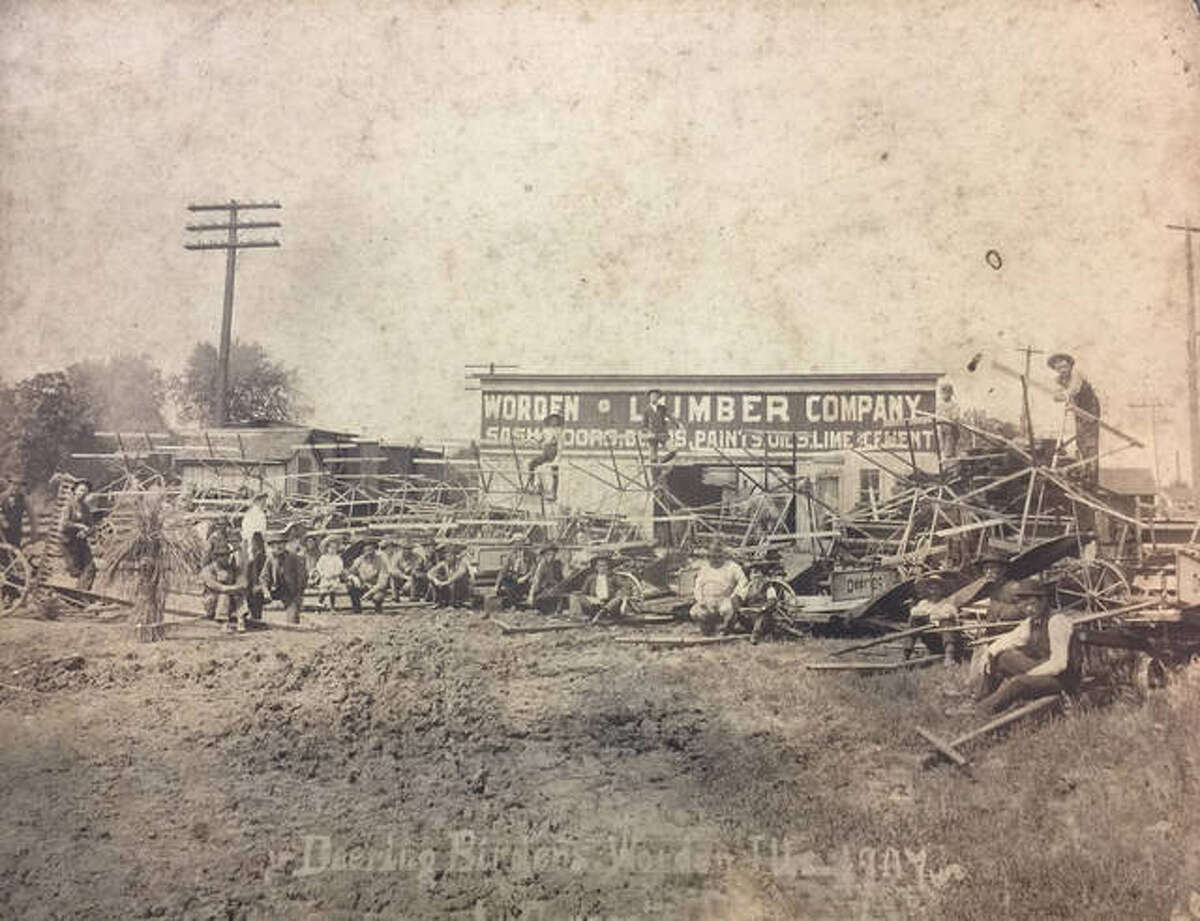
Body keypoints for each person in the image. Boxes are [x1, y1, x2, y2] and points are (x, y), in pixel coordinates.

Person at [973, 579, 1079, 714]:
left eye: (1033, 604)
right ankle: (980, 698)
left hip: (1063, 679)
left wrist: (1029, 676)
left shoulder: (1057, 621)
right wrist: (989, 653)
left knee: (1018, 683)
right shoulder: (1031, 622)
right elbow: (1011, 639)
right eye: (1025, 606)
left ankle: (981, 711)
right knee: (1001, 658)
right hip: (1045, 669)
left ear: (1043, 601)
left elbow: (1059, 664)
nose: (1029, 609)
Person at [1047, 353, 1101, 485]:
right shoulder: (1058, 380)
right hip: (1077, 410)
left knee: (1090, 442)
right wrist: (1063, 396)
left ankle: (1092, 475)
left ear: (1070, 366)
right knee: (1081, 441)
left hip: (1090, 408)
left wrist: (1065, 395)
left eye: (1064, 366)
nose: (1062, 370)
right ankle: (1084, 472)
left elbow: (1074, 390)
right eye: (1058, 368)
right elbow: (1055, 396)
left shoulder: (1077, 374)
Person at [690, 539, 748, 636]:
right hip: (707, 600)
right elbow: (697, 586)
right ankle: (708, 627)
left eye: (718, 556)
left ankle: (726, 628)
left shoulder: (732, 567)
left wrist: (736, 596)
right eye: (712, 557)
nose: (715, 559)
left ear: (724, 555)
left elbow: (743, 582)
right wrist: (700, 600)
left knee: (727, 609)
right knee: (695, 612)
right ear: (708, 557)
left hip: (725, 599)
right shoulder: (704, 568)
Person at [904, 576, 960, 664]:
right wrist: (933, 616)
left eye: (937, 588)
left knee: (946, 622)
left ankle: (949, 657)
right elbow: (914, 613)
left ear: (942, 590)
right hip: (929, 638)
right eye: (931, 588)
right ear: (927, 590)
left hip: (945, 638)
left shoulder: (947, 603)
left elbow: (949, 614)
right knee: (915, 620)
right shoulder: (923, 603)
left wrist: (930, 615)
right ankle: (906, 654)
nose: (934, 591)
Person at [198, 542, 246, 630]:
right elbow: (217, 587)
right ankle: (224, 623)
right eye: (222, 556)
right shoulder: (208, 570)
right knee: (225, 593)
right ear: (216, 557)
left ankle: (241, 619)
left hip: (229, 604)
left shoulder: (232, 568)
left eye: (227, 555)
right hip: (212, 602)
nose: (226, 558)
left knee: (238, 593)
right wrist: (234, 588)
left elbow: (242, 581)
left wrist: (239, 587)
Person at [59, 479, 96, 590]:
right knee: (76, 571)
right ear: (75, 491)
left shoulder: (85, 508)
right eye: (81, 490)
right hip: (67, 542)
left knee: (90, 568)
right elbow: (64, 524)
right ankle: (78, 595)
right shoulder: (68, 505)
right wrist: (79, 526)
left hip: (80, 542)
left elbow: (92, 526)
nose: (83, 493)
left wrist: (86, 532)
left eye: (85, 491)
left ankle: (80, 595)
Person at [567, 555, 628, 623]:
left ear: (608, 567)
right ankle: (592, 613)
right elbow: (584, 591)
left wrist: (619, 593)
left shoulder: (613, 577)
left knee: (618, 598)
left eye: (604, 566)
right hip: (595, 603)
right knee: (577, 597)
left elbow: (624, 586)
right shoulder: (591, 578)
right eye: (600, 566)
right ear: (596, 567)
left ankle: (604, 611)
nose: (602, 568)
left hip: (610, 603)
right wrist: (584, 597)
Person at [265, 531, 308, 624]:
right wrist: (266, 591)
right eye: (275, 545)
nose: (278, 547)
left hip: (291, 592)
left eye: (281, 544)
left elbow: (302, 577)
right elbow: (264, 577)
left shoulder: (294, 558)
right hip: (276, 590)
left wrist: (299, 594)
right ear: (272, 546)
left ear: (285, 545)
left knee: (292, 619)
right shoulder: (270, 559)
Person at [346, 538, 390, 613]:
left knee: (377, 597)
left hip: (376, 587)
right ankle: (357, 609)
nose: (368, 552)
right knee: (350, 585)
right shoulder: (359, 560)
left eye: (371, 549)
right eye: (366, 550)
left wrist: (369, 593)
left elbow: (382, 583)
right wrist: (354, 578)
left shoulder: (381, 561)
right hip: (364, 586)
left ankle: (378, 608)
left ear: (374, 550)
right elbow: (349, 572)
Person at [527, 413, 564, 496]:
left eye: (556, 420)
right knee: (532, 464)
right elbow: (538, 440)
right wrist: (530, 441)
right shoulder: (546, 430)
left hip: (553, 453)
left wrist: (557, 459)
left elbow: (560, 446)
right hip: (546, 452)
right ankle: (532, 486)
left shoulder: (559, 432)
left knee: (554, 473)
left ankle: (554, 493)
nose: (554, 421)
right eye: (552, 419)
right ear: (549, 420)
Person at [496, 535, 537, 609]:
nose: (517, 545)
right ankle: (514, 604)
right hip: (515, 577)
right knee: (506, 581)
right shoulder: (511, 555)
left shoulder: (531, 554)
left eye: (520, 542)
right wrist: (497, 584)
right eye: (516, 543)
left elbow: (534, 568)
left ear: (523, 543)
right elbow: (504, 569)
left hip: (527, 577)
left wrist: (526, 577)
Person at [642, 389, 679, 465]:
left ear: (658, 398)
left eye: (655, 396)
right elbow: (644, 425)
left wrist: (677, 424)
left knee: (673, 450)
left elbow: (670, 416)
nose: (653, 398)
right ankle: (654, 473)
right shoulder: (647, 410)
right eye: (652, 396)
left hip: (663, 434)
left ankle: (661, 462)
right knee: (653, 459)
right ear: (649, 397)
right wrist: (648, 432)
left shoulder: (662, 408)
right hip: (653, 436)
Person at [429, 543, 473, 608]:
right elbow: (430, 572)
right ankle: (438, 602)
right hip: (449, 587)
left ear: (454, 556)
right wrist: (435, 580)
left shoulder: (461, 563)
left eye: (450, 556)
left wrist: (446, 582)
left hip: (462, 588)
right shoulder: (444, 564)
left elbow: (459, 574)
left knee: (454, 582)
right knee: (435, 580)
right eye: (447, 556)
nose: (448, 558)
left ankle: (452, 603)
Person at [241, 531, 270, 625]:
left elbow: (258, 574)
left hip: (258, 586)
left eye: (254, 543)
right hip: (254, 585)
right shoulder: (256, 558)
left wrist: (256, 585)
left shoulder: (259, 558)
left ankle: (254, 617)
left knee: (254, 599)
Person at [527, 544, 565, 614]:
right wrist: (531, 595)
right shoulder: (542, 565)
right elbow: (536, 581)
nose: (551, 557)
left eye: (553, 555)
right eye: (549, 554)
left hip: (555, 588)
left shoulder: (557, 564)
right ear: (545, 555)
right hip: (543, 590)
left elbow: (562, 579)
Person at [0, 475, 36, 549]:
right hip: (2, 532)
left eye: (18, 485)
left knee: (15, 552)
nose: (15, 488)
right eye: (14, 484)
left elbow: (32, 518)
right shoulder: (2, 497)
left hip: (16, 532)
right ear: (9, 484)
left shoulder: (24, 499)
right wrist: (2, 518)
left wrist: (33, 538)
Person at [314, 536, 345, 612]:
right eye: (331, 548)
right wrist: (322, 574)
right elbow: (319, 567)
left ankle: (332, 607)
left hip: (334, 578)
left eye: (334, 548)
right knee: (323, 592)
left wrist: (335, 574)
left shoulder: (337, 558)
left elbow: (340, 568)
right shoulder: (323, 558)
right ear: (327, 548)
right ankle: (319, 607)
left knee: (332, 591)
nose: (332, 550)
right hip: (325, 578)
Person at [936, 382, 962, 460]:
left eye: (946, 392)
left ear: (950, 393)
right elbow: (937, 417)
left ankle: (950, 466)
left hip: (951, 431)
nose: (943, 395)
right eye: (942, 393)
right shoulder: (940, 406)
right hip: (942, 430)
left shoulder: (954, 405)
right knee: (942, 450)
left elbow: (955, 418)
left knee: (949, 452)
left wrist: (949, 419)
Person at [240, 492, 270, 558]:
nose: (264, 503)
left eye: (265, 501)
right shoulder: (256, 513)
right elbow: (256, 531)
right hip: (254, 541)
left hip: (254, 541)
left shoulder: (257, 512)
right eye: (263, 501)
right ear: (257, 501)